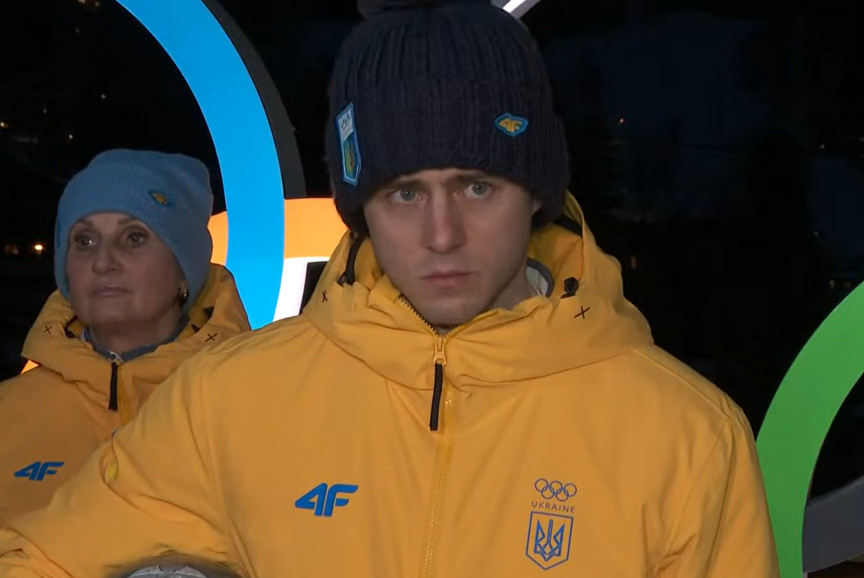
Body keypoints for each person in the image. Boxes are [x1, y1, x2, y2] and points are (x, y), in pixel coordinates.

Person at [0, 1, 779, 576]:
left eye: (477, 186)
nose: (441, 234)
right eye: (404, 193)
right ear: (362, 208)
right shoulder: (229, 402)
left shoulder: (686, 436)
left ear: (534, 194)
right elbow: (41, 558)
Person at [0, 149, 250, 526]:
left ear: (185, 272)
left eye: (134, 237)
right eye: (84, 241)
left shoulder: (254, 405)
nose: (103, 263)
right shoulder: (9, 414)